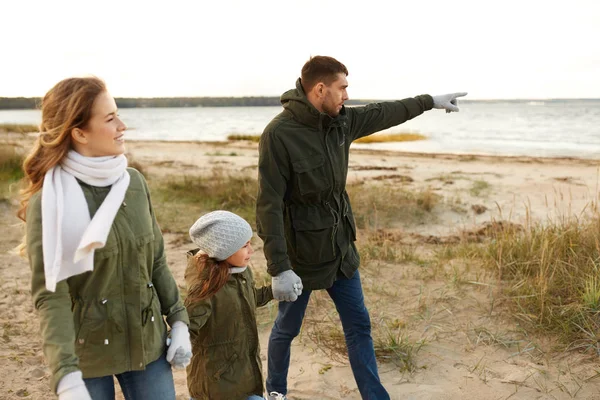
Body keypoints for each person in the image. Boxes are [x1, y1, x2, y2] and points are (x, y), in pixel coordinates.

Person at [256, 55, 467, 400]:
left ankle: (375, 396)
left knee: (359, 327)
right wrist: (279, 268)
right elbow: (268, 205)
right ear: (320, 89)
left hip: (342, 250)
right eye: (342, 88)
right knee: (287, 328)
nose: (347, 95)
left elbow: (386, 112)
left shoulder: (343, 122)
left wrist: (429, 101)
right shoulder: (279, 135)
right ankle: (276, 390)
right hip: (302, 255)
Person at [19, 77, 192, 400]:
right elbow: (51, 295)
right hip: (86, 353)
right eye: (110, 118)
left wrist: (179, 320)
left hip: (147, 342)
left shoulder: (134, 184)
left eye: (118, 115)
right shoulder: (49, 201)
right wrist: (66, 375)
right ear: (79, 132)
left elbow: (155, 261)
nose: (122, 125)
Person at [184, 210, 275, 400]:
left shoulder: (239, 272)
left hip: (244, 379)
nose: (251, 250)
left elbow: (245, 300)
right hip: (215, 387)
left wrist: (273, 292)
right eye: (244, 246)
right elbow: (186, 328)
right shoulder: (205, 287)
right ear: (222, 250)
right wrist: (175, 344)